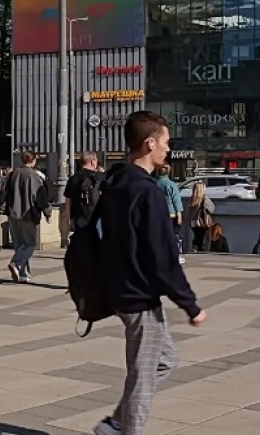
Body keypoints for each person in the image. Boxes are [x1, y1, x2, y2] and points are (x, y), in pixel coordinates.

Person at [92, 111, 205, 435]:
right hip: (138, 295)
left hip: (119, 288)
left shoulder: (116, 183)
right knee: (142, 375)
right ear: (150, 143)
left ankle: (116, 423)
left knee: (164, 360)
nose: (168, 148)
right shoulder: (146, 191)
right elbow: (163, 258)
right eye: (166, 142)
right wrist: (190, 305)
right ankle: (126, 429)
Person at [1, 150, 51, 283]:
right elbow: (40, 197)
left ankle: (23, 274)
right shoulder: (34, 176)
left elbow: (4, 192)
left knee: (19, 245)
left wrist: (0, 205)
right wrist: (47, 212)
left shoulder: (13, 174)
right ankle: (16, 263)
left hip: (13, 213)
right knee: (30, 244)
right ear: (33, 161)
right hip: (28, 214)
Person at [63, 152, 103, 233]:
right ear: (93, 162)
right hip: (97, 218)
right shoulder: (99, 177)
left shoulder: (73, 179)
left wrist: (69, 220)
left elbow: (68, 202)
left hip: (78, 219)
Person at [155, 164, 184, 264]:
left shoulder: (154, 183)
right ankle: (175, 255)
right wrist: (179, 215)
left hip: (157, 213)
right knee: (174, 235)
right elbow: (176, 201)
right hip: (170, 213)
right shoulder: (171, 184)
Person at [188, 181, 215, 253]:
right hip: (203, 222)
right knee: (205, 237)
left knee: (197, 236)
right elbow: (211, 209)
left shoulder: (192, 199)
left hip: (194, 222)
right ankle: (203, 250)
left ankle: (195, 248)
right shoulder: (204, 198)